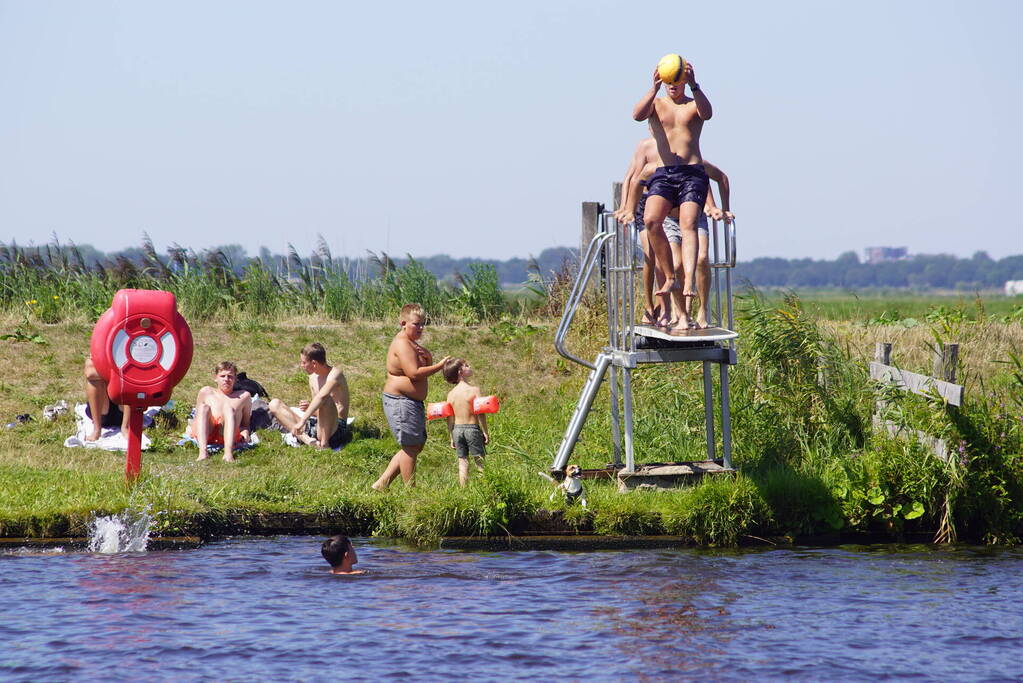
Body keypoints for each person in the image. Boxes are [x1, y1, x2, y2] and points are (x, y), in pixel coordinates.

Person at [632, 57, 713, 318]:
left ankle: (688, 282)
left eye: (677, 81)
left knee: (688, 224)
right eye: (669, 82)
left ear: (683, 81)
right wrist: (653, 87)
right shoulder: (656, 104)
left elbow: (708, 114)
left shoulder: (693, 104)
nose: (673, 86)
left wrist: (695, 85)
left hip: (692, 172)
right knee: (651, 220)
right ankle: (670, 277)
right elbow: (636, 115)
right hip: (665, 173)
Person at [372, 304, 449, 491]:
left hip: (410, 402)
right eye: (416, 324)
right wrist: (439, 366)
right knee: (411, 447)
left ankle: (382, 484)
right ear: (403, 323)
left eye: (423, 324)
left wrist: (428, 359)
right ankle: (410, 492)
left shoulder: (412, 343)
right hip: (400, 402)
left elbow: (420, 369)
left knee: (415, 445)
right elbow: (414, 373)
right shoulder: (402, 344)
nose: (421, 328)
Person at [268, 343, 352, 449]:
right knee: (274, 404)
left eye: (304, 362)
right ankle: (309, 441)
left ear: (314, 363)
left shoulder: (335, 375)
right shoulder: (312, 378)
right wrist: (310, 409)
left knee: (326, 398)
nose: (301, 365)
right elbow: (319, 411)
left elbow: (322, 398)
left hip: (336, 429)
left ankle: (324, 444)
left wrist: (302, 420)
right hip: (318, 426)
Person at [191, 361, 252, 462]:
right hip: (207, 432)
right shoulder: (206, 392)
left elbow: (245, 424)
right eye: (222, 376)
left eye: (230, 376)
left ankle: (228, 454)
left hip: (228, 434)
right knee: (203, 408)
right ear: (215, 378)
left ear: (236, 379)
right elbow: (198, 416)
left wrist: (245, 431)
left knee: (228, 409)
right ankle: (203, 453)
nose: (226, 379)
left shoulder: (244, 396)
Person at [442, 358, 489, 487]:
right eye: (466, 365)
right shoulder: (474, 390)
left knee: (462, 462)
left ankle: (463, 490)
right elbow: (480, 412)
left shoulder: (450, 394)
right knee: (480, 461)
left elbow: (449, 418)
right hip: (472, 429)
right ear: (460, 371)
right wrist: (485, 431)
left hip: (457, 430)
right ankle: (485, 488)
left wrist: (451, 436)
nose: (470, 366)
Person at [83, 357, 130, 442]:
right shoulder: (100, 349)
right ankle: (97, 429)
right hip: (102, 410)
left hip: (125, 407)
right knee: (94, 377)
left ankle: (125, 427)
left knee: (131, 375)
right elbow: (90, 373)